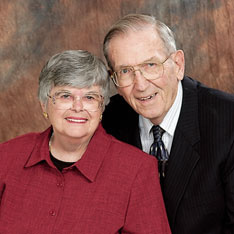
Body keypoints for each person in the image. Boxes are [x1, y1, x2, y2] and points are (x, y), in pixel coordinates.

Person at [0, 50, 171, 234]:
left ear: (102, 106)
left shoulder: (137, 169)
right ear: (44, 104)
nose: (78, 107)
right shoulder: (7, 156)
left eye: (90, 97)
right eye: (65, 95)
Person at [102, 14, 234, 234]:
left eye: (151, 65)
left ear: (178, 64)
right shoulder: (107, 122)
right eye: (125, 71)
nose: (141, 85)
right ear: (113, 78)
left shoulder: (228, 121)